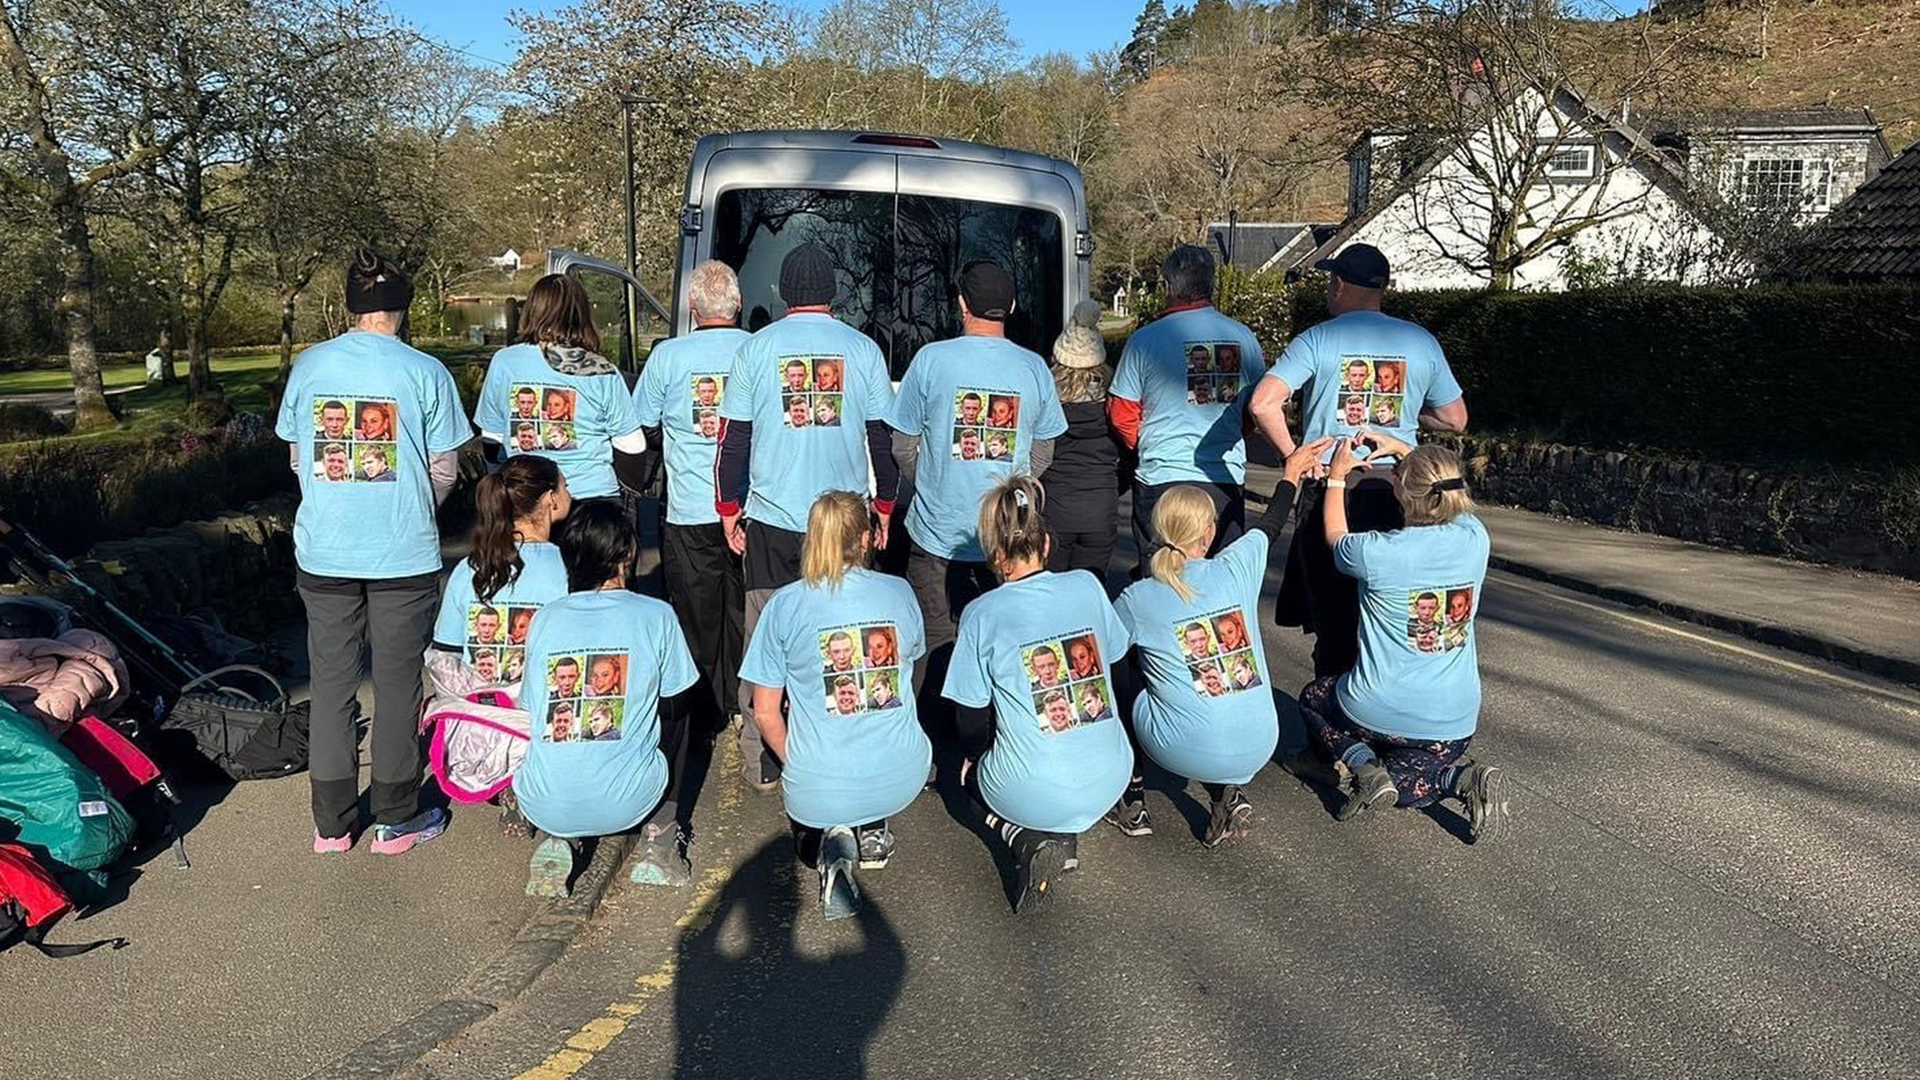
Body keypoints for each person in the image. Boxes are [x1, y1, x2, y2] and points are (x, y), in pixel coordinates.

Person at [275, 250, 471, 855]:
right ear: (403, 308)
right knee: (397, 683)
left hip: (325, 550)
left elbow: (297, 457)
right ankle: (396, 814)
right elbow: (445, 468)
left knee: (331, 685)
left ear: (350, 307)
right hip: (402, 554)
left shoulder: (310, 366)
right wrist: (411, 506)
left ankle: (332, 823)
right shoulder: (426, 371)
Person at [716, 243, 900, 790]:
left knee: (766, 639)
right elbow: (882, 440)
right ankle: (844, 746)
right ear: (833, 292)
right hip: (844, 523)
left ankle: (764, 759)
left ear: (783, 293)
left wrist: (730, 510)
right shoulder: (863, 350)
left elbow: (732, 441)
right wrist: (884, 508)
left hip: (773, 520)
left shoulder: (755, 350)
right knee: (842, 634)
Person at [1252, 243, 1469, 679]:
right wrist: (1406, 415)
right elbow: (1455, 418)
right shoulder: (1420, 341)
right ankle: (1382, 703)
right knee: (1390, 606)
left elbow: (1263, 403)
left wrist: (1293, 454)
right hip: (1400, 489)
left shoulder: (1316, 339)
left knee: (1333, 614)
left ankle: (1332, 725)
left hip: (1331, 485)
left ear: (1340, 285)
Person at [1110, 440, 1331, 844]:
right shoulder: (1236, 567)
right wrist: (1290, 474)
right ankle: (1226, 794)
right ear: (1210, 533)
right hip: (1262, 740)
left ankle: (1131, 796)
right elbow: (1273, 521)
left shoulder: (1138, 598)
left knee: (1122, 671)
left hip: (1179, 751)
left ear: (1158, 532)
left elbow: (1103, 654)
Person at [1295, 433, 1509, 842]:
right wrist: (1404, 450)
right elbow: (1441, 487)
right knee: (1410, 790)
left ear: (1404, 496)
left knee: (1312, 698)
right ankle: (1459, 777)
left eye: (1397, 478)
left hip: (1376, 708)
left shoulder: (1378, 551)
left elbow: (1335, 539)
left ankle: (1361, 763)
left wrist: (1337, 478)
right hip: (1453, 724)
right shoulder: (1475, 540)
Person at [943, 476, 1133, 915]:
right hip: (1112, 774)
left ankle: (1026, 839)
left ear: (994, 557)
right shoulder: (1088, 584)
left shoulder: (980, 613)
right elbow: (1120, 675)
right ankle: (1062, 834)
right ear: (1046, 543)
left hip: (1034, 787)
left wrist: (977, 755)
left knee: (969, 775)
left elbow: (970, 722)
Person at [888, 260, 1067, 727]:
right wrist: (1014, 490)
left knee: (932, 640)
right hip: (1007, 536)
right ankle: (989, 733)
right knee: (1002, 638)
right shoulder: (1034, 368)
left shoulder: (930, 359)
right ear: (1009, 307)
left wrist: (933, 479)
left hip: (936, 534)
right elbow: (1045, 449)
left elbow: (901, 444)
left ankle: (928, 742)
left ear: (961, 304)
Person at [738, 490, 928, 919]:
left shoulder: (785, 603)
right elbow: (909, 669)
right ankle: (871, 822)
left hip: (816, 785)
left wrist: (799, 762)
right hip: (902, 775)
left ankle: (830, 837)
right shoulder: (898, 591)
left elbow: (764, 711)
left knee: (806, 730)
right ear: (864, 539)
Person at [515, 500, 703, 896]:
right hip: (629, 803)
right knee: (681, 708)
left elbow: (531, 709)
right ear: (627, 555)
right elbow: (676, 700)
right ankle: (661, 836)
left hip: (542, 802)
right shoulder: (656, 614)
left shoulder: (546, 617)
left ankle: (557, 837)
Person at [635, 262, 750, 736]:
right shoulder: (758, 351)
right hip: (749, 506)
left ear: (692, 307)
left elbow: (641, 423)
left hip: (688, 509)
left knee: (696, 617)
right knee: (745, 612)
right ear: (739, 306)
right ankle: (742, 703)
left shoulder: (668, 357)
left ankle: (702, 717)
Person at [1110, 245, 1268, 575]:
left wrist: (1148, 443)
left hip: (1161, 477)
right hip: (1222, 478)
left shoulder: (1144, 340)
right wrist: (1229, 435)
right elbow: (1256, 408)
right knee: (1222, 584)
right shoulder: (1243, 337)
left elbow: (1121, 412)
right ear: (1211, 285)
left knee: (1160, 582)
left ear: (1167, 287)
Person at [473, 274, 648, 501]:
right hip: (593, 498)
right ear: (581, 314)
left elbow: (491, 436)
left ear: (531, 310)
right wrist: (629, 494)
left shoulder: (505, 362)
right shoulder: (601, 369)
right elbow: (632, 444)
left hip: (528, 499)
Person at [1044, 305, 1122, 580]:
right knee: (1089, 593)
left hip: (1054, 509)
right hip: (1100, 509)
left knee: (1050, 593)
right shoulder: (1114, 401)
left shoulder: (1047, 400)